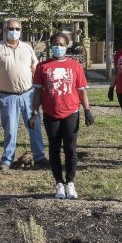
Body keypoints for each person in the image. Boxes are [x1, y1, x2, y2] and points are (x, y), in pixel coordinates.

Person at [29, 33, 94, 199]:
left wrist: (87, 110)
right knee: (54, 149)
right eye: (55, 44)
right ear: (51, 46)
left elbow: (81, 90)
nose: (58, 47)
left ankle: (70, 182)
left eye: (62, 44)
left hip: (71, 113)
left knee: (70, 149)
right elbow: (38, 92)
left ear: (67, 46)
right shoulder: (43, 67)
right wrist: (34, 113)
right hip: (51, 114)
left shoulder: (75, 66)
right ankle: (59, 183)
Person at [0, 18, 48, 171]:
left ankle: (39, 157)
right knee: (10, 130)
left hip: (29, 95)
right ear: (5, 30)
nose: (14, 31)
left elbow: (35, 69)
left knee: (34, 126)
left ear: (21, 30)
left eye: (17, 29)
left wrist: (40, 92)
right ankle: (7, 160)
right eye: (11, 28)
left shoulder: (27, 48)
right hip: (7, 96)